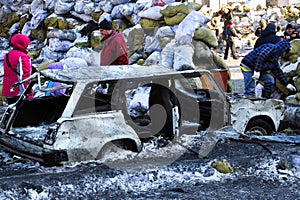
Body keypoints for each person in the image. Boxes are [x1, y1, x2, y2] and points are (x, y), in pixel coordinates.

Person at [2, 34, 32, 104]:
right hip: (18, 91)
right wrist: (28, 93)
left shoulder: (8, 55)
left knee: (12, 112)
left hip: (8, 89)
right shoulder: (22, 57)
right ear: (23, 44)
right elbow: (24, 76)